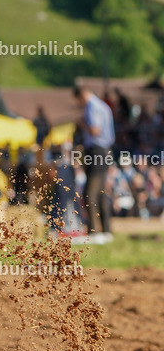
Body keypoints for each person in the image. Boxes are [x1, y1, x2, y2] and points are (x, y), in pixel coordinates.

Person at [74, 84, 115, 241]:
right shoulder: (103, 106)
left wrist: (81, 124)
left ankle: (93, 230)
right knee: (100, 192)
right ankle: (106, 229)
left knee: (89, 192)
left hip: (97, 150)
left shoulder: (92, 106)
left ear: (82, 95)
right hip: (105, 150)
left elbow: (95, 130)